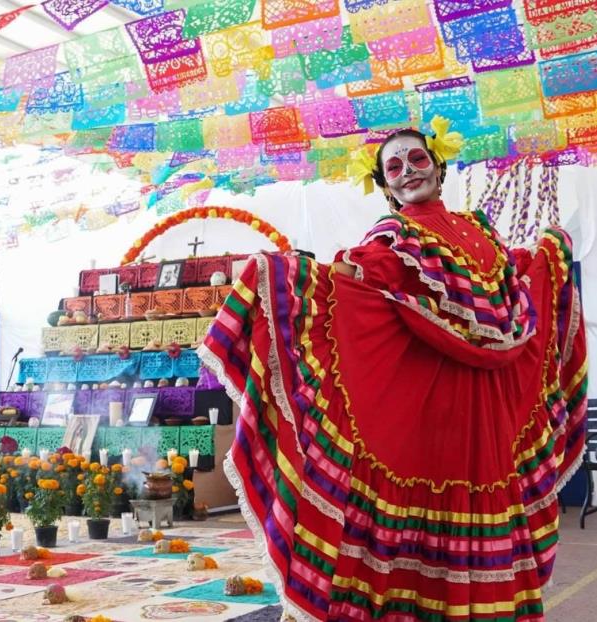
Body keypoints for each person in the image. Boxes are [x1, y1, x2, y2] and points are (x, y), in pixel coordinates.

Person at [199, 117, 586, 621]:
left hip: (484, 414)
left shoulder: (478, 229)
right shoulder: (394, 234)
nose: (408, 172)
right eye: (395, 167)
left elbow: (513, 277)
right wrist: (290, 276)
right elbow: (360, 273)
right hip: (434, 411)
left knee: (480, 490)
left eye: (417, 159)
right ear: (384, 186)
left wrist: (548, 253)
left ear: (440, 168)